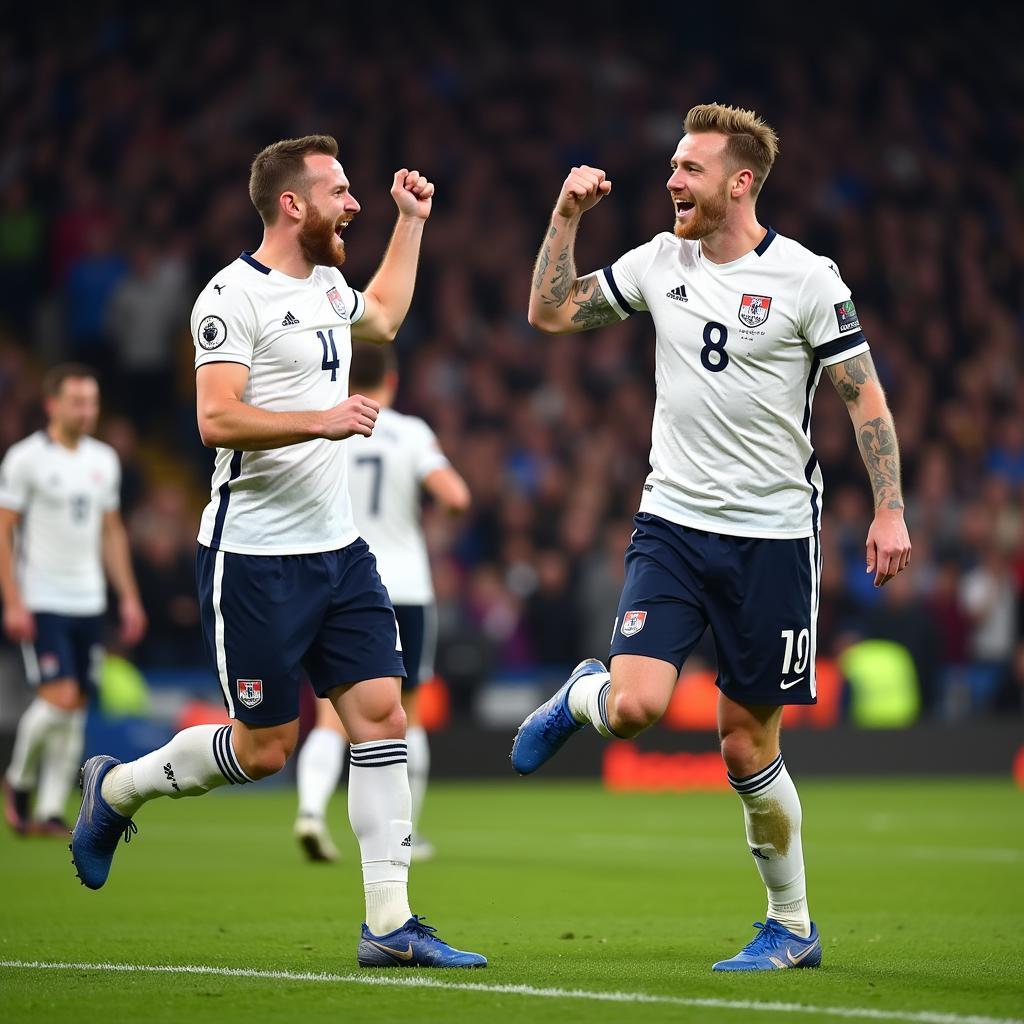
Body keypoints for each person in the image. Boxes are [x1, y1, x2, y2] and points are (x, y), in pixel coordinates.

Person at [69, 135, 485, 969]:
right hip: (254, 558)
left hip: (340, 551)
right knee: (265, 749)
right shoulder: (231, 297)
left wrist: (411, 224)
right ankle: (116, 790)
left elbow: (388, 316)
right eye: (340, 190)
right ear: (292, 204)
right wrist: (321, 420)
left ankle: (389, 926)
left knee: (381, 717)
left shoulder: (331, 284)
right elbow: (215, 420)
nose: (353, 202)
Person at [512, 103, 911, 971]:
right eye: (672, 166)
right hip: (673, 526)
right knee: (636, 709)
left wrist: (888, 509)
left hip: (772, 538)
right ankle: (587, 693)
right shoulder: (660, 261)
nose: (671, 181)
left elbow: (863, 398)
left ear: (739, 183)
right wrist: (567, 216)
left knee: (744, 743)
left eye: (689, 169)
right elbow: (551, 313)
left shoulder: (808, 278)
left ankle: (791, 925)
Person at [294, 341, 470, 864]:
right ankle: (405, 835)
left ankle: (308, 811)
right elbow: (456, 497)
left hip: (340, 583)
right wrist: (429, 526)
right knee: (407, 713)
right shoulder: (410, 433)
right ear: (391, 380)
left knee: (331, 713)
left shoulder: (329, 428)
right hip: (406, 586)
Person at [1, 364, 146, 835]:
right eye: (78, 402)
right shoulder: (25, 460)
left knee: (77, 704)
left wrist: (128, 597)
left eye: (93, 402)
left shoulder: (103, 459)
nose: (87, 411)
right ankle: (18, 780)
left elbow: (111, 531)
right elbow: (4, 531)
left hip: (89, 599)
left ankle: (47, 810)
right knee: (58, 698)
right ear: (52, 404)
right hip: (43, 597)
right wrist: (13, 601)